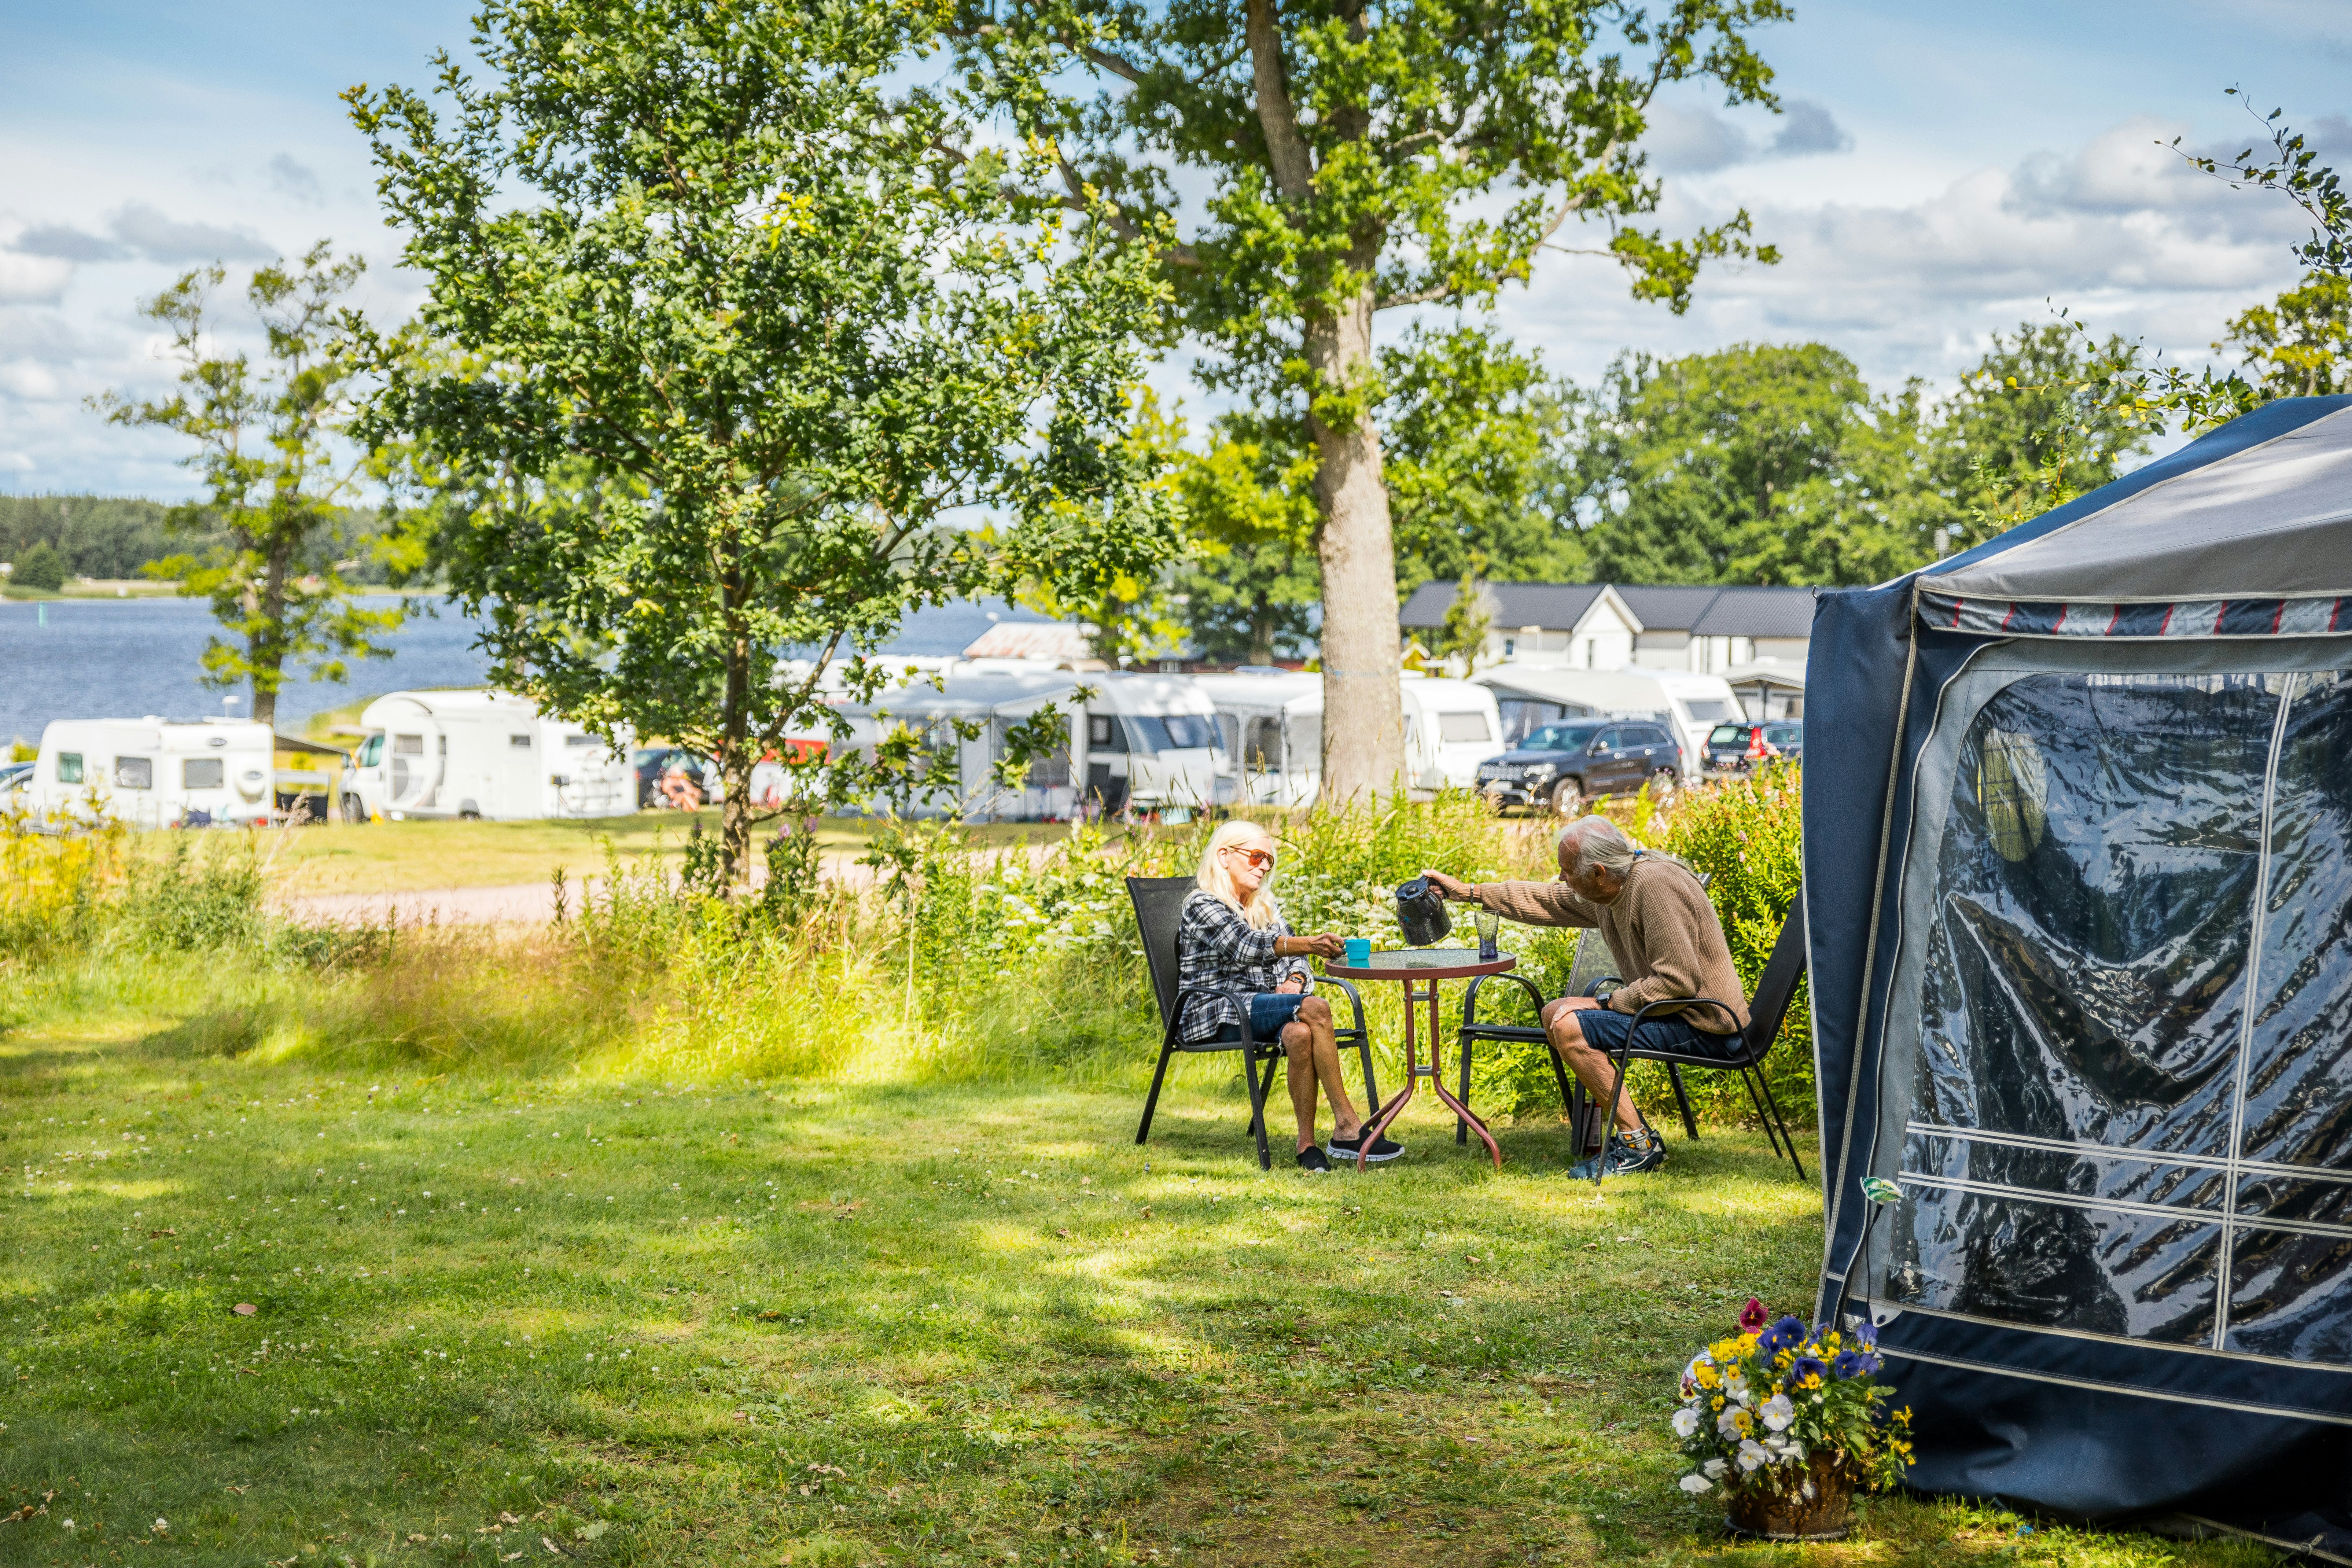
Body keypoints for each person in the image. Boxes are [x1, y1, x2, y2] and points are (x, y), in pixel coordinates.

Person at [1419, 817, 1749, 1178]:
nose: (1561, 879)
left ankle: (1638, 1146)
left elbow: (1678, 981)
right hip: (1672, 1013)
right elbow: (1546, 899)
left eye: (1566, 871)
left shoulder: (1654, 886)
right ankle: (1616, 1132)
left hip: (1707, 1025)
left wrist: (1608, 1002)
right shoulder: (1613, 889)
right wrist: (1467, 892)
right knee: (1554, 1012)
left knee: (1569, 1025)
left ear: (1598, 872)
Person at [1177, 820, 1403, 1170]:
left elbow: (1294, 959)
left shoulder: (1262, 904)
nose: (1265, 866)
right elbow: (1244, 947)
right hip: (1217, 1010)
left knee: (1299, 1033)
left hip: (1262, 1007)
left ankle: (1306, 1146)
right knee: (1317, 1008)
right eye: (1256, 857)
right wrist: (1309, 945)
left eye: (1269, 860)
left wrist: (1296, 980)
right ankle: (1347, 1124)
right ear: (1224, 856)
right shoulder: (1202, 904)